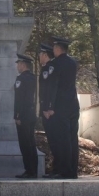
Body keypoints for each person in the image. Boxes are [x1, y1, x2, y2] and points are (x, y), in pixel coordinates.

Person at [44, 36, 79, 179]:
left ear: (58, 49)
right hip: (73, 104)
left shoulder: (55, 64)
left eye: (54, 47)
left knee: (62, 139)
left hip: (60, 106)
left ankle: (63, 170)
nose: (53, 50)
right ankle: (72, 170)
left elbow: (53, 85)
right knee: (72, 139)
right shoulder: (73, 62)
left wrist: (50, 106)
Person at [14, 53, 38, 178]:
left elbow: (19, 99)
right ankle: (34, 169)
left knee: (25, 144)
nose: (17, 66)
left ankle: (29, 170)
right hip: (31, 113)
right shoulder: (33, 78)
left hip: (23, 115)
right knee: (31, 143)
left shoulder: (21, 79)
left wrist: (17, 115)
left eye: (18, 64)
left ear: (23, 65)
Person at [38, 42, 60, 178]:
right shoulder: (46, 68)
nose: (39, 56)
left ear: (45, 55)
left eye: (40, 54)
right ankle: (56, 168)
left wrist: (48, 108)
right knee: (52, 141)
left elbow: (50, 89)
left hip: (49, 112)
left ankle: (58, 169)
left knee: (55, 141)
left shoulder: (50, 68)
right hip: (46, 110)